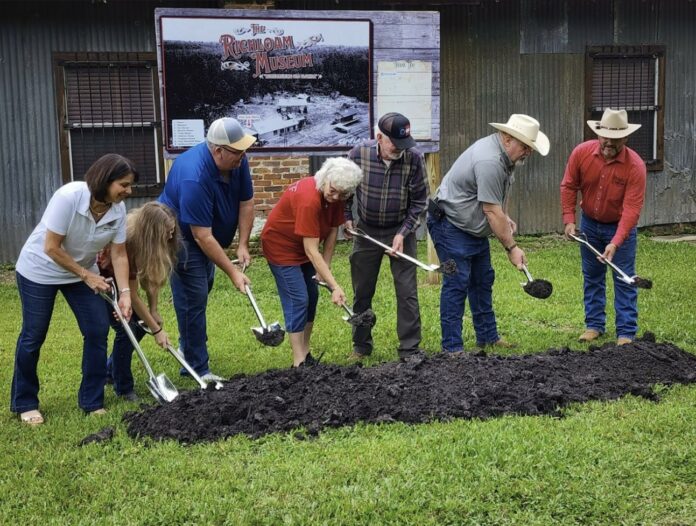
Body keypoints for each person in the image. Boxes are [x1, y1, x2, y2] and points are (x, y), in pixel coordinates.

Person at [11, 154, 137, 424]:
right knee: (34, 335)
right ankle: (25, 402)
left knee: (97, 329)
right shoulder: (68, 197)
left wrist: (125, 293)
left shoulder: (117, 209)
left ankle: (91, 401)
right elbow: (51, 248)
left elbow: (119, 255)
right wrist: (87, 275)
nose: (129, 191)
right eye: (124, 185)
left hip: (80, 273)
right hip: (39, 271)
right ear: (105, 180)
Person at [427, 114, 549, 353]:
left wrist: (504, 217)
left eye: (530, 148)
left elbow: (495, 202)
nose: (528, 152)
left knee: (482, 280)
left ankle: (488, 336)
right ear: (507, 139)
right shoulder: (490, 160)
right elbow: (491, 210)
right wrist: (512, 248)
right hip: (450, 225)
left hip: (472, 226)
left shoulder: (505, 157)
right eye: (525, 146)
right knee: (457, 282)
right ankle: (452, 348)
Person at [159, 117, 255, 382]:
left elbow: (247, 203)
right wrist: (234, 273)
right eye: (237, 152)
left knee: (203, 287)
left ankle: (188, 346)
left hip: (205, 236)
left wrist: (243, 244)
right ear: (217, 150)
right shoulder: (195, 176)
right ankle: (197, 367)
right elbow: (201, 236)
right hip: (181, 236)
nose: (243, 156)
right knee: (193, 297)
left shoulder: (236, 160)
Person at [261, 157, 363, 367]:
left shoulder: (338, 193)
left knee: (312, 295)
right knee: (298, 298)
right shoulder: (309, 199)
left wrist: (324, 267)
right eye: (332, 190)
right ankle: (298, 362)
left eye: (342, 194)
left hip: (305, 246)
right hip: (282, 248)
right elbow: (311, 249)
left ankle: (307, 354)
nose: (335, 197)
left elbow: (334, 229)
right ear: (325, 178)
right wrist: (334, 286)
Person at [344, 112, 428, 361]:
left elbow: (420, 203)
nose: (399, 149)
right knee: (362, 290)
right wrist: (346, 217)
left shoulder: (413, 158)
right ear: (379, 137)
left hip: (400, 230)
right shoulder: (358, 154)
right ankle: (361, 346)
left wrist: (403, 233)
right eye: (394, 143)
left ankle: (409, 348)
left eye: (404, 143)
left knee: (407, 291)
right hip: (366, 231)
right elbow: (345, 190)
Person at [561, 108, 646, 345]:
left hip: (619, 228)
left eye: (615, 138)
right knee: (592, 276)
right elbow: (568, 185)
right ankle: (594, 325)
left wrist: (616, 242)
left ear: (626, 138)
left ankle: (626, 332)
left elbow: (631, 209)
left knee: (624, 277)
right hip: (589, 224)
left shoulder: (635, 166)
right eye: (605, 136)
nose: (609, 141)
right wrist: (569, 219)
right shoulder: (581, 153)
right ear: (598, 134)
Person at [98, 202, 181, 401]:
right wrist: (157, 331)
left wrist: (153, 310)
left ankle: (110, 371)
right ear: (152, 233)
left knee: (137, 327)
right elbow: (132, 295)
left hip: (125, 282)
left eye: (172, 231)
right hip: (101, 279)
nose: (171, 236)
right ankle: (123, 387)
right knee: (127, 329)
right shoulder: (129, 240)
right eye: (167, 232)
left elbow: (150, 278)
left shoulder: (150, 244)